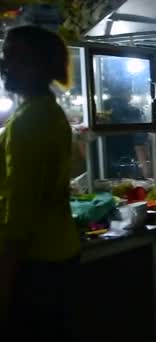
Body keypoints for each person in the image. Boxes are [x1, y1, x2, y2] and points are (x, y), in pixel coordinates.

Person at [0, 26, 80, 341]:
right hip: (58, 253)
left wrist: (4, 282)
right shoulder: (47, 111)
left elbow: (19, 214)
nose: (5, 65)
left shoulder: (28, 122)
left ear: (39, 65)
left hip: (35, 263)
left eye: (15, 58)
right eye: (6, 56)